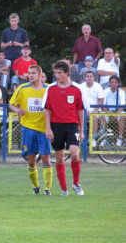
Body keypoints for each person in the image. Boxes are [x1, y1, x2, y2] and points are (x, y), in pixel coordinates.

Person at [43, 60, 88, 196]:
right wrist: (48, 128)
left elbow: (81, 110)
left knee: (74, 154)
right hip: (56, 126)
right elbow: (47, 110)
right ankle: (64, 189)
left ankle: (76, 183)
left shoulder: (77, 89)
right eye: (55, 72)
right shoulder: (50, 88)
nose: (57, 75)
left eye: (60, 73)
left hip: (72, 125)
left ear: (67, 73)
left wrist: (81, 130)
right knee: (59, 158)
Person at [9, 65, 53, 195]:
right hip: (28, 129)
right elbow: (11, 104)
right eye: (29, 73)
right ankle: (35, 186)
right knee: (31, 160)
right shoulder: (23, 88)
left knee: (46, 158)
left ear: (40, 75)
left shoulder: (49, 89)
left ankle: (48, 188)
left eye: (33, 73)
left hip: (44, 129)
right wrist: (17, 110)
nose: (31, 75)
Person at [80, 71, 105, 147]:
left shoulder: (98, 86)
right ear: (85, 78)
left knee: (99, 118)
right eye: (87, 76)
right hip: (83, 109)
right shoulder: (81, 86)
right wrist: (85, 110)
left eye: (91, 76)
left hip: (96, 109)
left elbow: (101, 101)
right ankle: (83, 139)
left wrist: (94, 111)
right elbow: (79, 100)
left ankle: (95, 139)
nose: (89, 78)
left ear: (94, 77)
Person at [101, 76, 125, 147]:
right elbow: (103, 105)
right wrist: (109, 113)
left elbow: (123, 105)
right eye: (112, 82)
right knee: (102, 117)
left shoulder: (121, 92)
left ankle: (119, 138)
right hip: (108, 111)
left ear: (118, 84)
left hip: (118, 111)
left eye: (115, 82)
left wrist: (117, 113)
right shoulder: (105, 92)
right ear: (109, 83)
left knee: (123, 116)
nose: (114, 84)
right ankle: (102, 139)